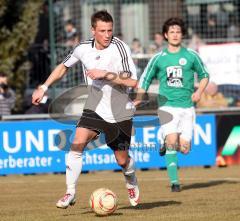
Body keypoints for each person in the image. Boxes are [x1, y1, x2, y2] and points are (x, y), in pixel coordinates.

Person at [32, 10, 139, 208]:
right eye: (102, 31)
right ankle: (70, 192)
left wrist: (106, 75)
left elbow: (132, 81)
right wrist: (44, 87)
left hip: (119, 109)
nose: (107, 35)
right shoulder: (82, 48)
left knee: (122, 160)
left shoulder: (120, 47)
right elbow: (63, 67)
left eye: (110, 30)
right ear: (93, 31)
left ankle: (131, 181)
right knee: (76, 143)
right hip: (95, 105)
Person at [135, 17, 209, 192]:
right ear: (166, 35)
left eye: (178, 32)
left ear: (182, 34)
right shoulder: (159, 58)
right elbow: (145, 78)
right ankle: (175, 183)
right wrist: (139, 97)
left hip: (187, 108)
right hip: (167, 106)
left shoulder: (191, 56)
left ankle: (161, 137)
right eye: (172, 32)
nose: (175, 35)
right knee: (172, 142)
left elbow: (205, 75)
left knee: (184, 148)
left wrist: (199, 92)